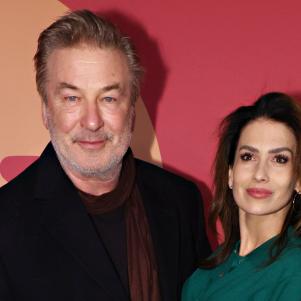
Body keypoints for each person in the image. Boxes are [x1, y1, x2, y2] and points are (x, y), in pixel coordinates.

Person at [0, 9, 211, 301]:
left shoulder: (180, 201)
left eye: (109, 98)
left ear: (132, 110)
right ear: (46, 111)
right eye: (72, 98)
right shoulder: (6, 221)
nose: (92, 121)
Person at [182, 92, 301, 300]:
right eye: (248, 156)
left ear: (298, 180)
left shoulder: (295, 271)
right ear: (230, 173)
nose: (260, 174)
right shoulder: (202, 276)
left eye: (280, 159)